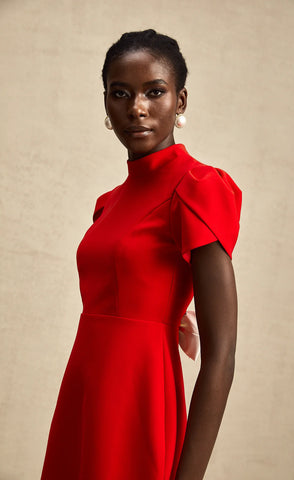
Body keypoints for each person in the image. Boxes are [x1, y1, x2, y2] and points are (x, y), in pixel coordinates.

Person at [40, 29, 242, 480]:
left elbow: (221, 356)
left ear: (180, 101)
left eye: (155, 92)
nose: (137, 108)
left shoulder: (197, 189)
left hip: (140, 403)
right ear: (107, 104)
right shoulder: (108, 203)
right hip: (84, 395)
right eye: (120, 93)